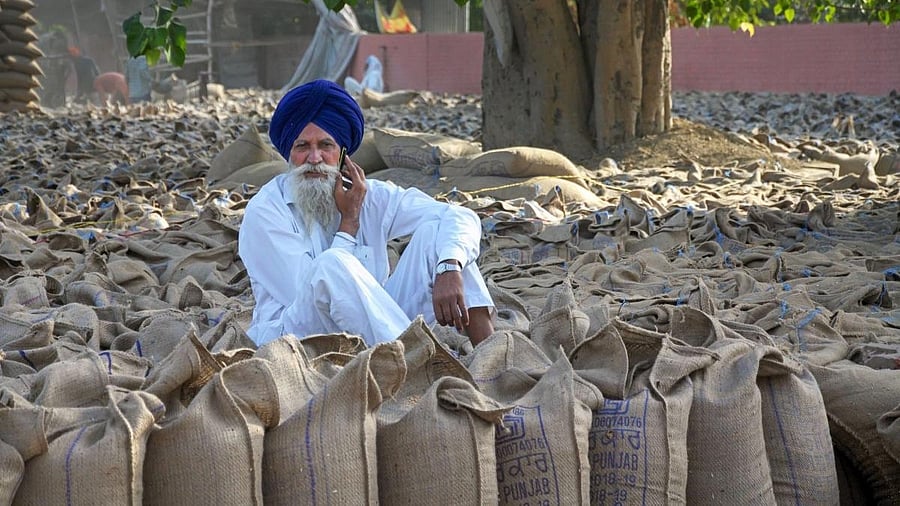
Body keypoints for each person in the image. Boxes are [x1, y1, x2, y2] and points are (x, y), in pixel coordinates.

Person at [238, 79, 495, 348]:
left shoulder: (369, 195)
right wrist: (349, 223)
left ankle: (490, 362)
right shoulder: (266, 211)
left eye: (326, 146)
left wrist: (449, 266)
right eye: (302, 147)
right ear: (289, 153)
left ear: (342, 155)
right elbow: (308, 292)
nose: (314, 159)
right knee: (332, 264)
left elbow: (458, 215)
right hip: (297, 337)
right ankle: (411, 364)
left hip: (376, 329)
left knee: (441, 237)